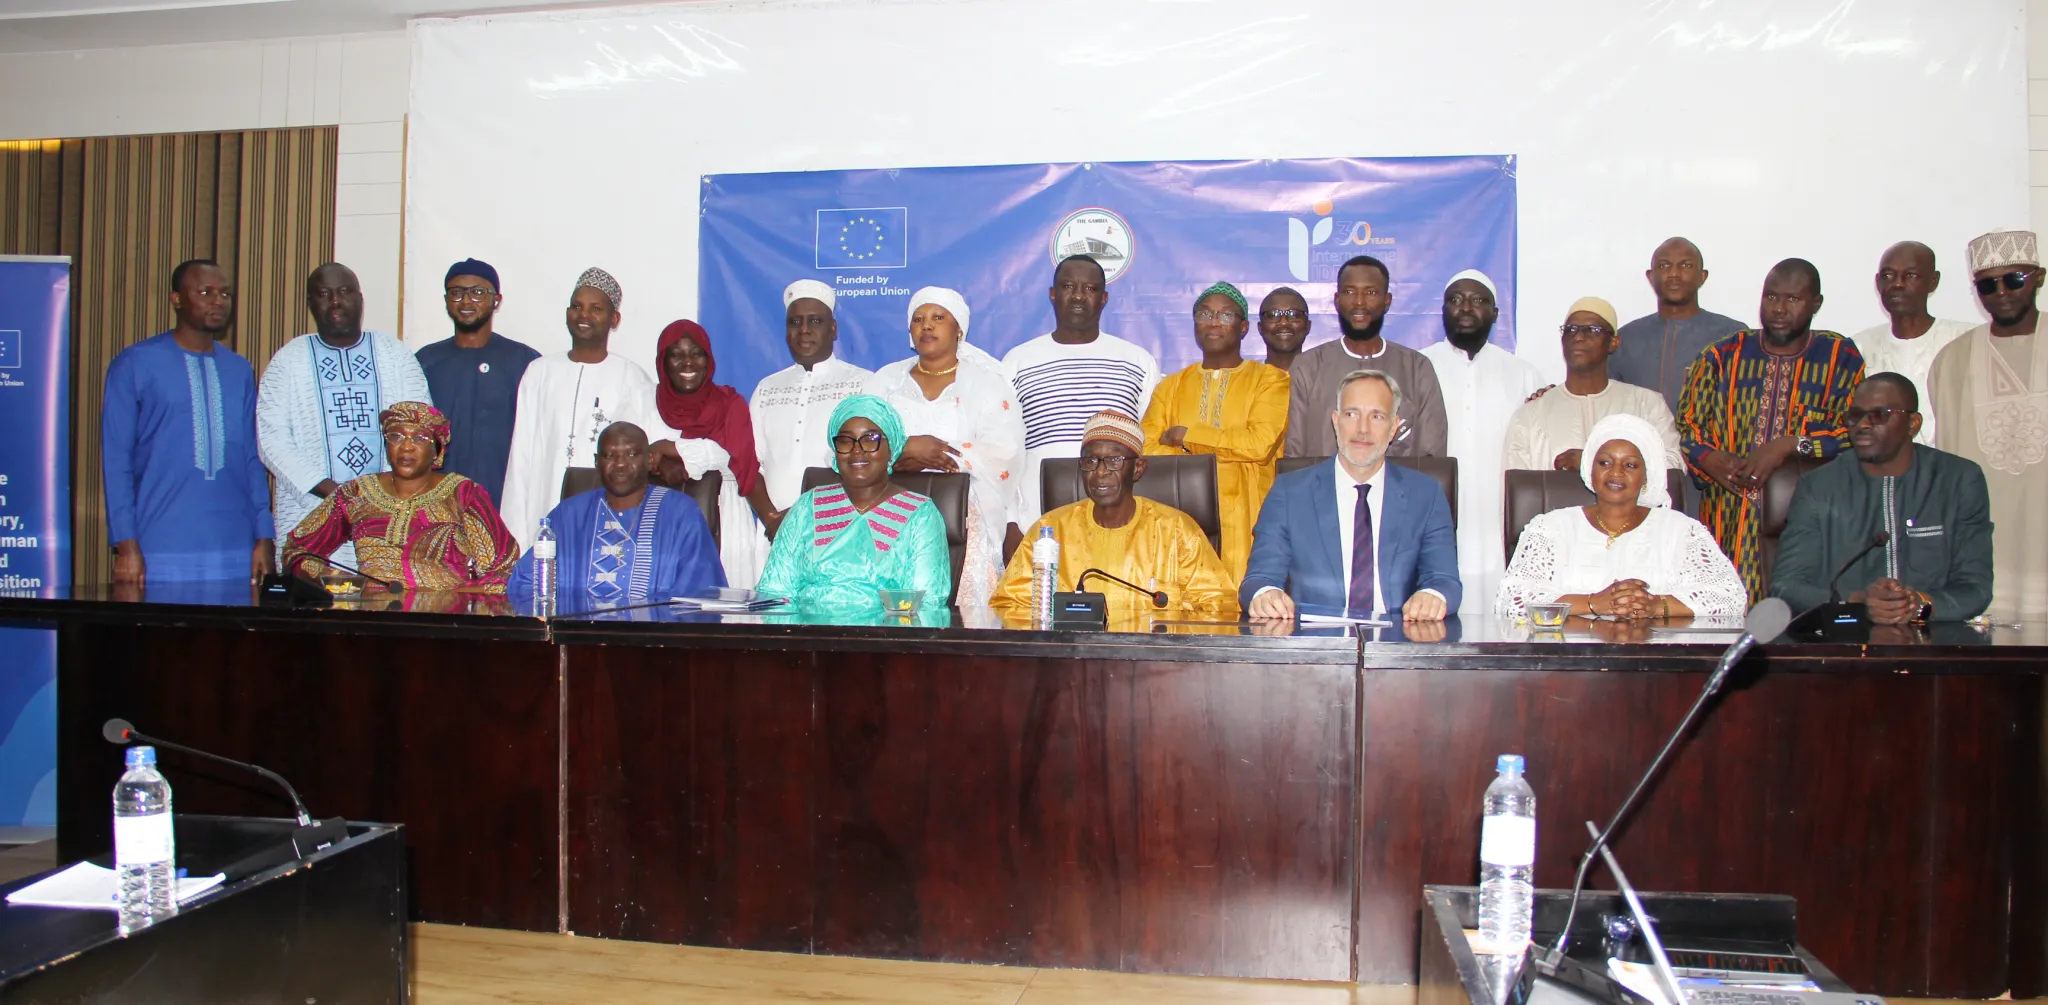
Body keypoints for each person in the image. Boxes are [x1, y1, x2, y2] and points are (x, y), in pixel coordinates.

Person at [1678, 258, 1865, 601]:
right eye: (1771, 297)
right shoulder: (1722, 356)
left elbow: (1855, 433)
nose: (1779, 309)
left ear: (1816, 304)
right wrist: (1709, 459)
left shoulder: (1840, 358)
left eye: (1793, 299)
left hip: (1809, 521)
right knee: (1724, 610)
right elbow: (1688, 427)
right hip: (1727, 517)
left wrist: (1792, 445)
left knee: (1802, 616)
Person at [102, 259, 274, 584]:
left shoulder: (239, 370)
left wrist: (264, 536)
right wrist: (126, 545)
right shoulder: (135, 364)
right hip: (159, 548)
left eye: (225, 294)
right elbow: (116, 461)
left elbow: (252, 459)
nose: (218, 301)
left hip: (234, 549)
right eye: (205, 292)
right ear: (177, 299)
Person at [1771, 374, 1991, 624]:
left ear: (1913, 424)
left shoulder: (1958, 480)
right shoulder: (1819, 486)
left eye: (1879, 415)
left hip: (1933, 636)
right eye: (1855, 416)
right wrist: (1855, 603)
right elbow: (1786, 585)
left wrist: (1921, 604)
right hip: (1847, 635)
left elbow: (1976, 588)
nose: (1862, 425)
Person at [1242, 369, 1459, 622]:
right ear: (1336, 422)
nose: (1362, 429)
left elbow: (1445, 579)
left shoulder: (1426, 494)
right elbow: (1259, 577)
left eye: (1376, 416)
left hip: (1397, 636)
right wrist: (1265, 594)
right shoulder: (1289, 492)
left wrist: (1433, 595)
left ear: (1393, 428)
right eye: (1351, 414)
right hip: (1315, 638)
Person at [257, 262, 431, 571]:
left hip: (387, 520)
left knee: (383, 598)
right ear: (311, 303)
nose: (335, 301)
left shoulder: (395, 355)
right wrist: (334, 494)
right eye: (324, 294)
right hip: (310, 518)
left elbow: (421, 429)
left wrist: (380, 499)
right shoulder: (288, 361)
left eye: (344, 292)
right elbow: (271, 441)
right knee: (312, 600)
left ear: (360, 300)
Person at [1496, 413, 1746, 620]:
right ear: (1590, 470)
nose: (1615, 473)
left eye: (1630, 465)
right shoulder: (1550, 528)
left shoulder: (1681, 531)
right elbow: (1512, 602)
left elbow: (1730, 598)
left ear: (1647, 476)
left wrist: (1655, 606)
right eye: (1604, 463)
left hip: (1654, 656)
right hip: (1569, 657)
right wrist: (1594, 603)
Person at [866, 287, 1025, 606]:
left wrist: (935, 454)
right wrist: (901, 451)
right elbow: (855, 441)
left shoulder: (987, 383)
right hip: (888, 515)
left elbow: (1002, 453)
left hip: (964, 521)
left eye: (938, 317)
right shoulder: (885, 381)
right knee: (889, 617)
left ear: (959, 330)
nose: (926, 325)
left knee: (960, 618)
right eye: (918, 319)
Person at [992, 409, 1237, 615]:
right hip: (1071, 654)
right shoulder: (1050, 531)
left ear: (1138, 468)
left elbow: (1220, 606)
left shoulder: (1177, 531)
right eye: (1090, 462)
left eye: (1114, 461)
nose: (1100, 472)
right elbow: (1010, 604)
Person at [1929, 229, 2048, 621]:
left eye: (2014, 279)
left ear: (2039, 277)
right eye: (1987, 285)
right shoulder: (1953, 360)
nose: (2001, 292)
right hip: (1985, 539)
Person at [499, 268, 661, 550]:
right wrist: (514, 538)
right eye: (577, 306)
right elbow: (520, 459)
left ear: (614, 319)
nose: (584, 315)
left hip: (607, 522)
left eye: (595, 308)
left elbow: (639, 466)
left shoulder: (633, 379)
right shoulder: (539, 373)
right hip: (542, 514)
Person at [281, 401, 520, 592]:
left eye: (419, 438)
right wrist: (338, 581)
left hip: (442, 624)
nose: (406, 447)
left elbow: (504, 568)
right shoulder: (357, 492)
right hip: (370, 619)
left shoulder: (463, 494)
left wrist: (452, 597)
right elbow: (298, 550)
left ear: (437, 450)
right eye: (396, 436)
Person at [1140, 282, 1290, 580]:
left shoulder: (1270, 381)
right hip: (1180, 516)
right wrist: (1226, 448)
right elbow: (1146, 450)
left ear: (1243, 327)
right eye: (1205, 314)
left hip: (1250, 520)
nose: (1214, 322)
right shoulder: (1170, 387)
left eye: (1225, 315)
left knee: (1247, 598)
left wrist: (1185, 437)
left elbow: (1259, 445)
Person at [1001, 255, 1161, 524]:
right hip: (1036, 517)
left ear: (1104, 298)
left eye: (1090, 288)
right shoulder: (1017, 362)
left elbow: (1150, 444)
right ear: (1053, 294)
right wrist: (1011, 521)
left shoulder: (1137, 361)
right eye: (1068, 287)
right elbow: (1004, 451)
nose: (1078, 296)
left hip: (1119, 518)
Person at [754, 395, 953, 610]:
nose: (857, 450)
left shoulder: (920, 515)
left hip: (888, 630)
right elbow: (774, 592)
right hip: (805, 629)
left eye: (870, 439)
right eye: (845, 440)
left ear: (891, 449)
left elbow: (926, 605)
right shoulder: (807, 507)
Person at [1420, 269, 1544, 613]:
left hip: (1498, 511)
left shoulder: (1523, 374)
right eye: (1456, 300)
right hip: (1435, 508)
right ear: (1443, 309)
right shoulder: (1419, 365)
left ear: (1495, 313)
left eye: (1477, 300)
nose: (1466, 307)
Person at [508, 421, 725, 612]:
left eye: (631, 454)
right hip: (575, 639)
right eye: (609, 456)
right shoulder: (568, 515)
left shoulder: (680, 513)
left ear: (649, 460)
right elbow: (526, 585)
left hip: (652, 641)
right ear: (597, 462)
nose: (620, 464)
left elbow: (700, 597)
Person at [1285, 255, 1447, 458]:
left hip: (1400, 480)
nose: (1359, 302)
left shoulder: (1416, 368)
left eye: (1370, 292)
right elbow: (1294, 457)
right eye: (1349, 292)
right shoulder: (1307, 367)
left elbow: (1432, 458)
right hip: (1320, 480)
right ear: (1337, 300)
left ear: (1387, 301)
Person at [648, 319, 770, 587]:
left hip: (726, 519)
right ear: (663, 361)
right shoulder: (644, 401)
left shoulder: (729, 403)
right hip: (659, 522)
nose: (688, 362)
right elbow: (635, 456)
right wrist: (658, 461)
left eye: (697, 353)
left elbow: (734, 459)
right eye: (676, 354)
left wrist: (669, 448)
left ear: (709, 359)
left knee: (726, 600)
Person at [750, 280, 874, 537]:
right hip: (773, 533)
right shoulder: (766, 389)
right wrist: (771, 520)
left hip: (841, 531)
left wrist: (803, 517)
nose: (804, 330)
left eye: (815, 321)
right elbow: (749, 465)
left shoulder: (863, 385)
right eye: (795, 322)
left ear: (833, 329)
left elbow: (868, 464)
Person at [1503, 297, 1682, 474]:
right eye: (1570, 329)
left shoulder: (1647, 405)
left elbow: (1672, 467)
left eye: (1592, 330)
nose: (1578, 337)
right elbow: (1516, 486)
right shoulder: (1531, 415)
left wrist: (1593, 462)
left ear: (1613, 343)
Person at [413, 258, 540, 506]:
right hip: (438, 505)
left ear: (496, 300)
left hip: (505, 503)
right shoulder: (425, 361)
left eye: (478, 292)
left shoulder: (525, 362)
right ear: (446, 300)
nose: (466, 301)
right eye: (456, 292)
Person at [1848, 242, 1972, 446]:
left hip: (1954, 462)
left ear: (1933, 282)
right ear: (1877, 283)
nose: (1897, 284)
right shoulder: (1858, 348)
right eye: (1888, 276)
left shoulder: (1965, 341)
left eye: (1911, 275)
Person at [1611, 237, 1749, 411]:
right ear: (1650, 277)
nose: (1674, 273)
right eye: (1664, 265)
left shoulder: (1733, 337)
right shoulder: (1625, 340)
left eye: (1685, 265)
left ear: (1702, 277)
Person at [1256, 286, 1311, 372]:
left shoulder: (1326, 377)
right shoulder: (1247, 379)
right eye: (1273, 315)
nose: (1283, 323)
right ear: (1260, 327)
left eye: (1294, 315)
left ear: (1308, 326)